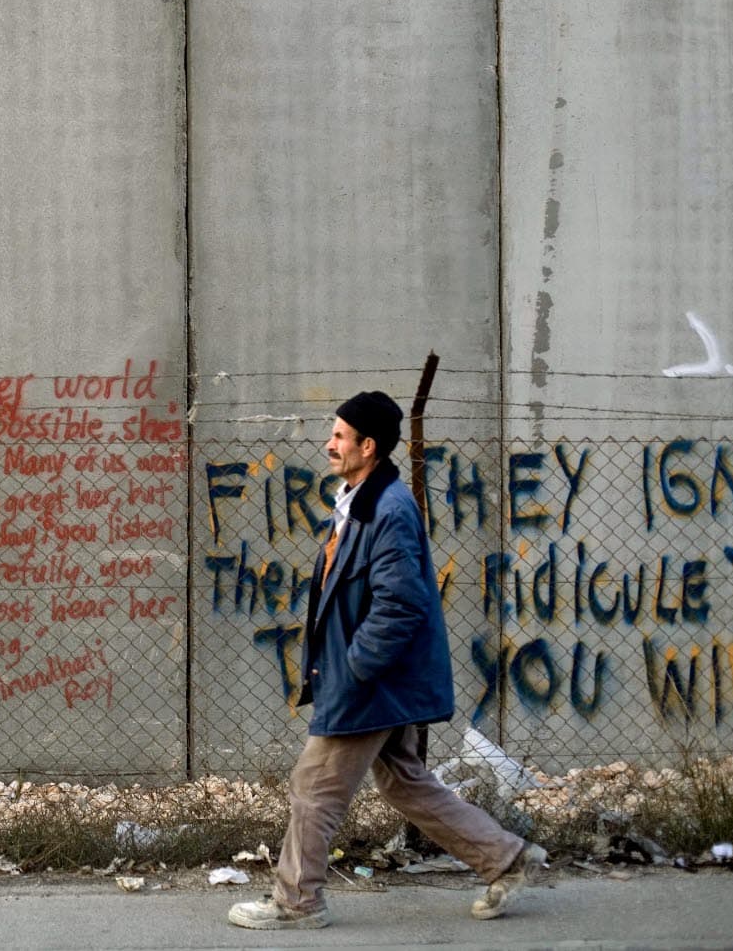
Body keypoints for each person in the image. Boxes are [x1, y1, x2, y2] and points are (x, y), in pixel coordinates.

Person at [230, 391, 546, 931]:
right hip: (378, 679)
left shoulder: (389, 510)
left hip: (369, 682)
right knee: (404, 782)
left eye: (339, 436)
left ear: (368, 446)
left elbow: (400, 605)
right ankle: (507, 859)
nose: (329, 444)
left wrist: (355, 669)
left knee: (314, 785)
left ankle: (298, 902)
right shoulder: (359, 501)